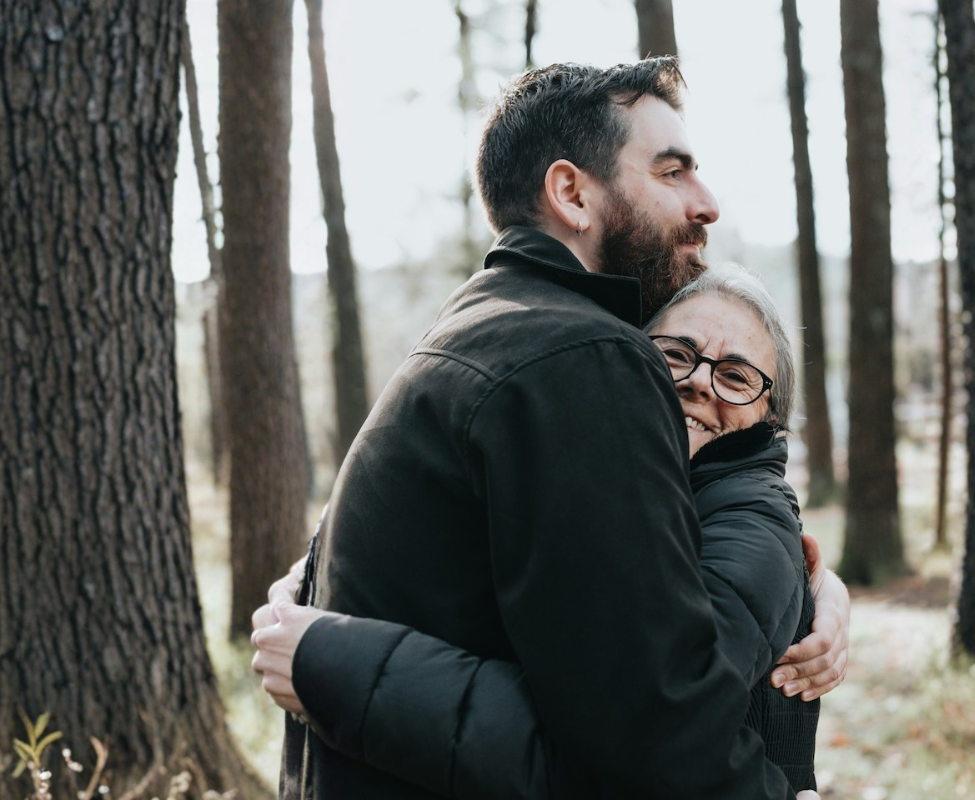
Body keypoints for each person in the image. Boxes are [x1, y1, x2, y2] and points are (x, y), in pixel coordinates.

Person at [252, 58, 848, 799]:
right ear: (571, 193)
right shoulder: (583, 357)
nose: (708, 203)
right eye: (671, 173)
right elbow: (655, 728)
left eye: (734, 375)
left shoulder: (478, 326)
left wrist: (807, 580)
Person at [255, 265, 829, 795]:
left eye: (735, 376)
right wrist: (312, 573)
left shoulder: (754, 528)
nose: (699, 383)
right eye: (676, 354)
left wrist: (339, 665)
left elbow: (644, 739)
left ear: (770, 419)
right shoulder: (609, 485)